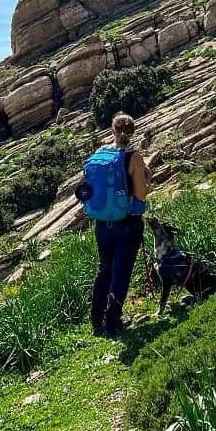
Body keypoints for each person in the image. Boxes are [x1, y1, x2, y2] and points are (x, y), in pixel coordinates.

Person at [90, 112, 150, 338]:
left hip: (102, 223)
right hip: (127, 224)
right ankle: (112, 323)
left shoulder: (99, 153)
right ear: (133, 131)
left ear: (111, 129)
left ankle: (96, 321)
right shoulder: (133, 157)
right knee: (121, 272)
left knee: (104, 269)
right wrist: (148, 178)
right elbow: (141, 194)